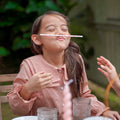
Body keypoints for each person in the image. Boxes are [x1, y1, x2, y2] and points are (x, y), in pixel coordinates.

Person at [7, 11, 120, 120]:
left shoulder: (76, 60)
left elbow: (84, 96)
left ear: (69, 36)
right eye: (51, 29)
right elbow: (17, 110)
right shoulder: (29, 65)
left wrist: (103, 111)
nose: (59, 32)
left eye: (64, 29)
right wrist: (28, 89)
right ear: (37, 39)